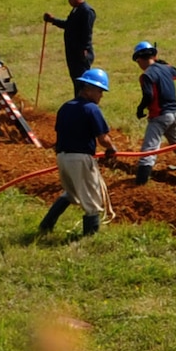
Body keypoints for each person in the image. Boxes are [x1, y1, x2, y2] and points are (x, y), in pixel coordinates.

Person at [38, 68, 120, 238]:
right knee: (92, 199)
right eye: (99, 91)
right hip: (81, 158)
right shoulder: (91, 109)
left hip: (62, 157)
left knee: (71, 193)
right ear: (88, 89)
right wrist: (111, 149)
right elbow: (103, 139)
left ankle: (46, 225)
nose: (101, 96)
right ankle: (90, 238)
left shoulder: (65, 107)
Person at [129, 41, 176, 185]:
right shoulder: (166, 69)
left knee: (149, 149)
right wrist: (160, 63)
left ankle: (141, 182)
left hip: (160, 116)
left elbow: (148, 96)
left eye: (138, 61)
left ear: (140, 59)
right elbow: (175, 72)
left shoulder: (146, 75)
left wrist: (140, 108)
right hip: (174, 114)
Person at [43, 0, 95, 97]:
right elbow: (69, 25)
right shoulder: (75, 10)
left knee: (82, 81)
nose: (69, 0)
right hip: (73, 52)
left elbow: (87, 32)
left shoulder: (86, 11)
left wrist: (85, 49)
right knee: (76, 80)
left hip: (81, 54)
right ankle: (78, 101)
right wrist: (53, 20)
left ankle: (84, 103)